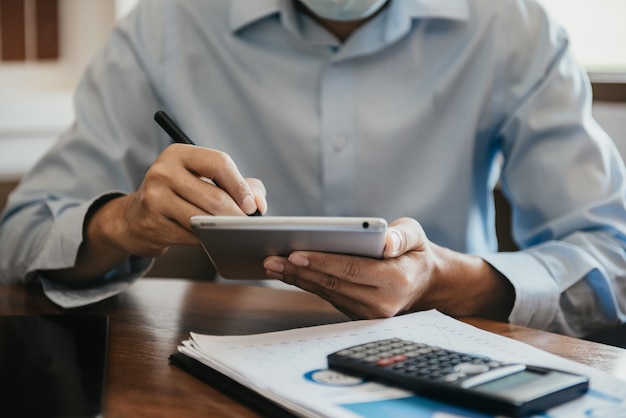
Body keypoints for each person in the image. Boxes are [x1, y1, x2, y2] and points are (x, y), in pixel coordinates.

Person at [1, 0, 625, 339]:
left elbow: (612, 260)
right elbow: (19, 236)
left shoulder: (517, 30)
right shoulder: (161, 29)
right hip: (232, 367)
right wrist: (122, 224)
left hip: (455, 356)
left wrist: (447, 279)